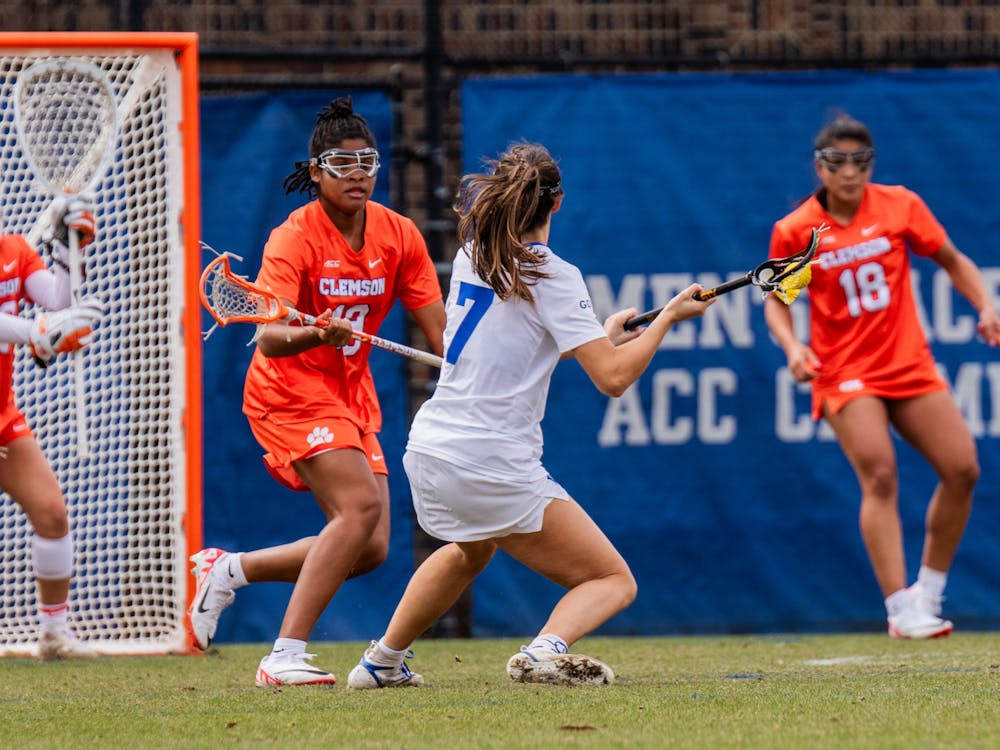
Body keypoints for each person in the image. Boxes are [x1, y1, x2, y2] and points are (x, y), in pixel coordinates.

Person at [345, 141, 714, 689]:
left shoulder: (476, 253)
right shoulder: (553, 273)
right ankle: (544, 652)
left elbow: (526, 341)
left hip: (430, 449)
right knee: (612, 579)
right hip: (489, 458)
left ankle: (380, 663)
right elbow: (612, 379)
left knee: (470, 551)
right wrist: (669, 320)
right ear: (557, 203)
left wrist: (599, 336)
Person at [187, 97, 445, 687]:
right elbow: (271, 340)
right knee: (357, 509)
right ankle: (283, 655)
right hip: (287, 390)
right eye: (341, 162)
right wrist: (316, 331)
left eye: (368, 161)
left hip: (350, 393)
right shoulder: (294, 238)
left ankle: (228, 570)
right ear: (316, 171)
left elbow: (441, 333)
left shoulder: (398, 235)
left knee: (371, 545)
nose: (358, 172)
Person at [763, 114, 1000, 640]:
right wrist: (793, 347)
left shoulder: (900, 205)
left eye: (860, 162)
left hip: (908, 362)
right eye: (838, 163)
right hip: (846, 371)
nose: (850, 174)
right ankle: (899, 607)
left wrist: (985, 304)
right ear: (820, 168)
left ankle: (928, 595)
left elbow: (952, 260)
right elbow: (778, 304)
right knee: (881, 474)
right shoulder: (798, 230)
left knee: (962, 469)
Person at [0, 196, 106, 660]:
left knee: (52, 514)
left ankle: (53, 634)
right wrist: (38, 331)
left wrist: (69, 249)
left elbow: (58, 302)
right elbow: (41, 324)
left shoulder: (14, 250)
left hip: (3, 416)